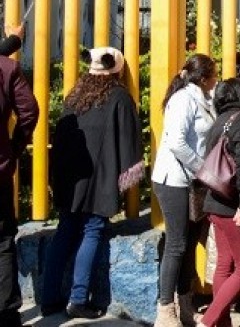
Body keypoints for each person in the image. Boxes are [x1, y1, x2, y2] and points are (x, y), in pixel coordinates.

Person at [41, 47, 143, 319]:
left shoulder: (74, 95)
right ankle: (77, 299)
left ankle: (48, 298)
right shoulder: (120, 96)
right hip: (100, 178)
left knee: (65, 231)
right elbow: (129, 139)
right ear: (117, 69)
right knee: (92, 230)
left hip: (70, 179)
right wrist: (128, 175)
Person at [151, 54, 218, 327]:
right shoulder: (183, 100)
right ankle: (165, 310)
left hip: (192, 180)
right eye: (214, 75)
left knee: (189, 243)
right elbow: (176, 141)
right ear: (203, 78)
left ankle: (186, 304)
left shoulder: (202, 99)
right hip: (175, 179)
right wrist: (203, 169)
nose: (216, 80)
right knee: (177, 243)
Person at [197, 78, 240, 327]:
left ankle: (221, 323)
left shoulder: (219, 122)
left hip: (213, 202)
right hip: (232, 206)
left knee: (225, 263)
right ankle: (209, 321)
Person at [0, 43, 39, 327]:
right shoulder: (7, 68)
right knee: (2, 242)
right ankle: (6, 313)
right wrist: (13, 149)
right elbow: (29, 112)